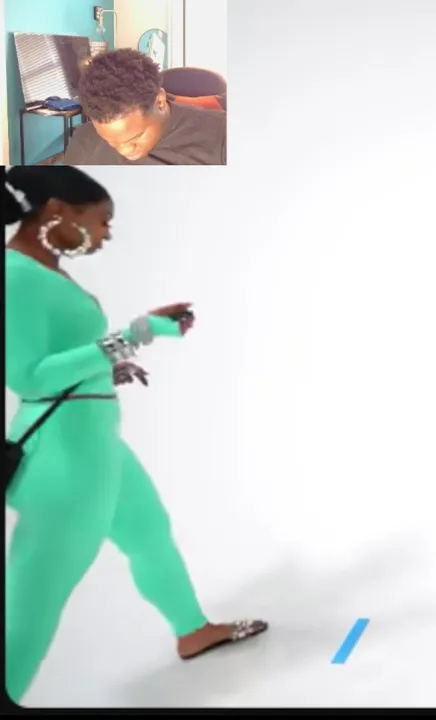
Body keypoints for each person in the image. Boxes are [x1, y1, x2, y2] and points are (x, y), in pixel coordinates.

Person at [4, 167, 265, 703]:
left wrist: (110, 365)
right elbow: (28, 377)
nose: (106, 235)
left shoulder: (47, 271)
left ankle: (192, 630)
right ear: (57, 211)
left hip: (94, 442)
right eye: (101, 221)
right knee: (37, 593)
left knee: (149, 532)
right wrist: (132, 336)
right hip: (64, 457)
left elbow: (64, 360)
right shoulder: (14, 275)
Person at [63, 49, 226, 165]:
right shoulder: (84, 141)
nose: (125, 151)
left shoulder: (222, 137)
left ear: (160, 102)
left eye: (136, 138)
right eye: (110, 141)